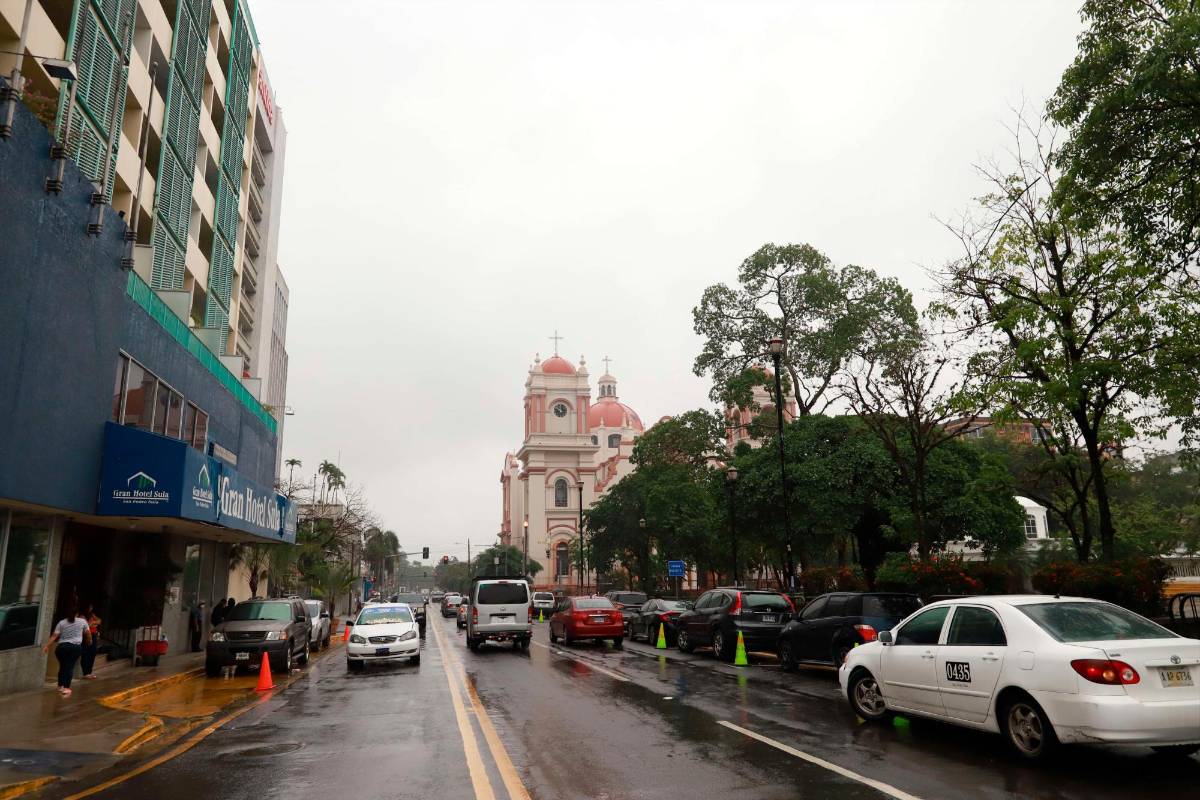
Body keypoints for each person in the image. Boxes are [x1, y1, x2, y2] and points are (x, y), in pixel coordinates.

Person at [43, 605, 91, 697]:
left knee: (63, 666)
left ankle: (60, 685)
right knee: (69, 667)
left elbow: (54, 635)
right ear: (77, 613)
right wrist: (89, 641)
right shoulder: (82, 621)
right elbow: (88, 633)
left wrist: (47, 646)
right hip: (74, 648)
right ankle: (66, 687)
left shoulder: (61, 622)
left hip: (61, 648)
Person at [80, 604, 102, 680]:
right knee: (86, 653)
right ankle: (85, 673)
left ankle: (89, 672)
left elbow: (99, 621)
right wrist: (93, 623)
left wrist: (93, 623)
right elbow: (86, 625)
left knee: (93, 652)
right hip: (86, 634)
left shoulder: (92, 615)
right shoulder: (82, 616)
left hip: (94, 634)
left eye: (91, 607)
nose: (91, 608)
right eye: (90, 607)